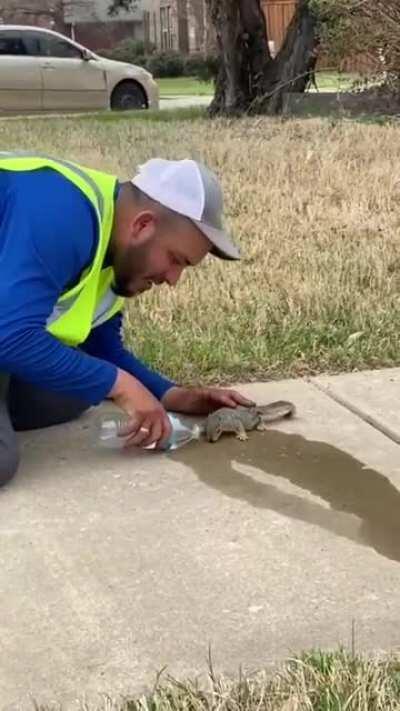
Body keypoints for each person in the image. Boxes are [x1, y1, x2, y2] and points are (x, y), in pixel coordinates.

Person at [0, 153, 253, 485]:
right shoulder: (61, 213)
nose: (173, 279)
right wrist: (121, 386)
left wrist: (172, 394)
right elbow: (10, 337)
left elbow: (102, 349)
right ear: (143, 225)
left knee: (70, 394)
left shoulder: (112, 247)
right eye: (175, 259)